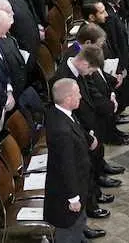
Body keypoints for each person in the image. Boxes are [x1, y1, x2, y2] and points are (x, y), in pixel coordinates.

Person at [45, 78, 106, 241]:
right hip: (67, 194)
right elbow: (67, 165)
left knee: (79, 224)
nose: (80, 96)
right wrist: (73, 198)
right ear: (68, 99)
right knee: (69, 230)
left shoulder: (62, 114)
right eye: (77, 94)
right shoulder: (61, 131)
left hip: (80, 183)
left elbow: (76, 130)